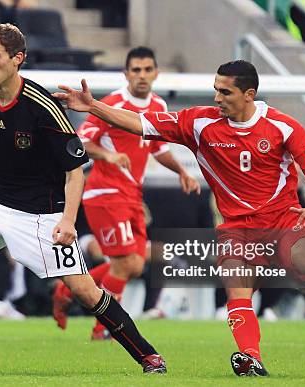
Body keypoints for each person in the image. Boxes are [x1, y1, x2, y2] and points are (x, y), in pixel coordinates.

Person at [54, 60, 305, 377]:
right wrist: (93, 106)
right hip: (236, 230)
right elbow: (140, 122)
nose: (217, 98)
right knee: (237, 286)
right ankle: (250, 358)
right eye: (215, 90)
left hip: (284, 222)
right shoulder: (199, 124)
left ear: (249, 94)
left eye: (225, 92)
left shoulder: (282, 126)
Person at [0, 23, 166, 373]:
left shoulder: (43, 106)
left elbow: (75, 170)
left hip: (40, 214)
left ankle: (148, 354)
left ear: (17, 59)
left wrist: (67, 221)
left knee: (84, 290)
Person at [52, 46, 199, 339]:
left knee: (136, 264)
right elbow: (82, 142)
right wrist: (108, 156)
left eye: (147, 70)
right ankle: (101, 329)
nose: (142, 75)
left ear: (156, 73)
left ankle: (65, 288)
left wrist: (182, 171)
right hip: (105, 192)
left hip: (132, 194)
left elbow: (159, 147)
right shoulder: (112, 104)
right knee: (124, 263)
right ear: (126, 73)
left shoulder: (158, 106)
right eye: (136, 70)